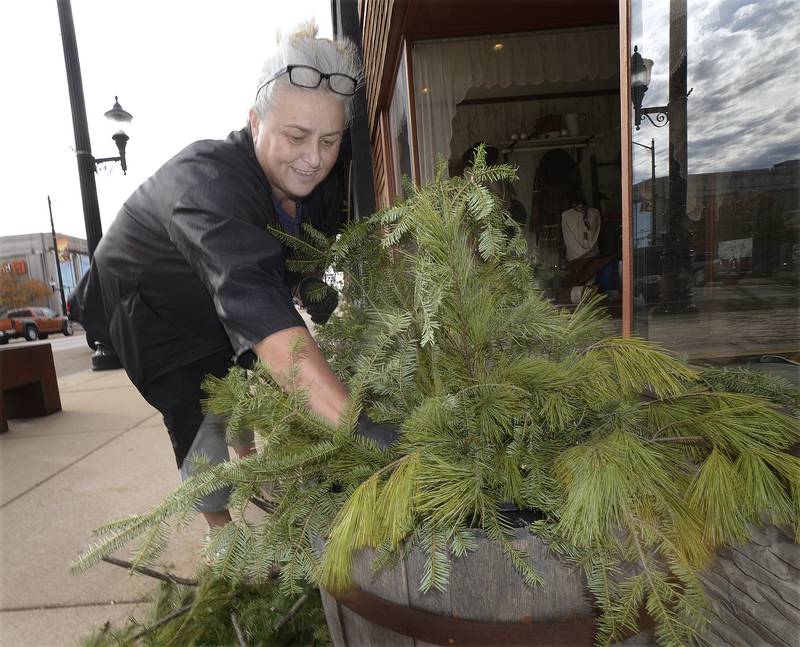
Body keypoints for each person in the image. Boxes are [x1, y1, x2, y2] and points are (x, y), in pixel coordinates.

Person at [69, 23, 398, 528]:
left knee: (245, 372)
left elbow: (300, 253)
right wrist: (357, 427)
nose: (314, 158)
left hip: (220, 290)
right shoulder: (209, 184)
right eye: (296, 136)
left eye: (329, 140)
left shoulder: (318, 177)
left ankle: (250, 460)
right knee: (203, 407)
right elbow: (259, 309)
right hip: (153, 301)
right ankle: (223, 539)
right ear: (255, 122)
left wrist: (311, 282)